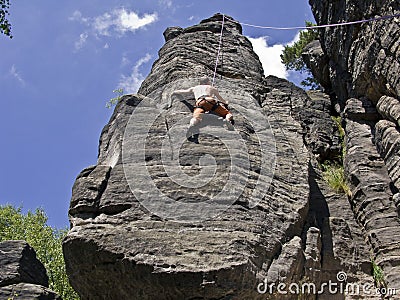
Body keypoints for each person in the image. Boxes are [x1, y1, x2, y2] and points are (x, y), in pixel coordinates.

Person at [169, 77, 235, 139]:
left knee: (196, 117)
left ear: (200, 83)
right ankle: (227, 120)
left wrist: (174, 93)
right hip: (211, 101)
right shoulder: (211, 88)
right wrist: (226, 102)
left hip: (200, 102)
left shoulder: (194, 88)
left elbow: (183, 92)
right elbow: (221, 99)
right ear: (207, 82)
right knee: (227, 113)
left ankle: (192, 124)